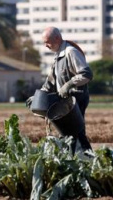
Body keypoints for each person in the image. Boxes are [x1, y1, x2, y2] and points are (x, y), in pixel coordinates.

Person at [27, 26, 94, 154]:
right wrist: (38, 97)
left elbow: (87, 74)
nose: (46, 45)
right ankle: (78, 160)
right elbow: (50, 82)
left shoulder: (70, 52)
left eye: (48, 42)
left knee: (74, 132)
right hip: (65, 101)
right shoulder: (58, 55)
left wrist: (68, 85)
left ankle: (86, 160)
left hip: (76, 99)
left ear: (57, 38)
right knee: (69, 134)